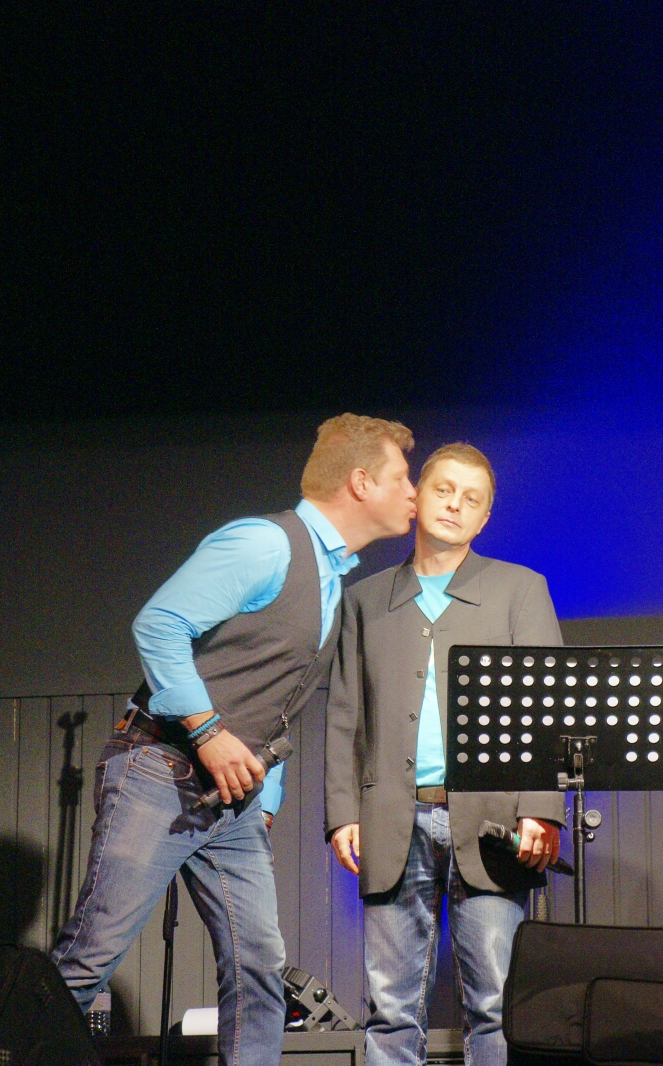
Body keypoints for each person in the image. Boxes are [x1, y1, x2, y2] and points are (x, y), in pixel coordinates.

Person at [52, 414, 417, 1066]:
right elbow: (159, 624)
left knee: (258, 970)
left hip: (234, 802)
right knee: (90, 956)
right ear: (362, 483)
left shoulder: (330, 574)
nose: (412, 492)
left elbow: (277, 694)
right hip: (161, 771)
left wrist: (264, 795)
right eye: (402, 478)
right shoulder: (265, 544)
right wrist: (207, 731)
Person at [325, 442, 565, 1066]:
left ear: (484, 518)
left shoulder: (520, 589)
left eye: (471, 498)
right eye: (443, 490)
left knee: (495, 1004)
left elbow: (547, 707)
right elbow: (346, 712)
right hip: (392, 819)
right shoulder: (365, 599)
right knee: (390, 1009)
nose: (455, 504)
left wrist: (542, 807)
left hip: (492, 821)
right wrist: (342, 812)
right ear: (418, 497)